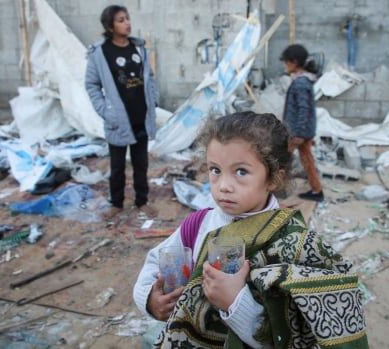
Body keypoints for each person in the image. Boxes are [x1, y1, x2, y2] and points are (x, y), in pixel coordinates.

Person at [133, 112, 368, 348]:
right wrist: (150, 300)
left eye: (241, 172)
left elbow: (296, 337)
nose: (224, 186)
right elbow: (156, 262)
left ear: (274, 179)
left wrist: (236, 302)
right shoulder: (197, 225)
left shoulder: (292, 241)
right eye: (215, 170)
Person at [85, 5, 159, 218]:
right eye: (120, 20)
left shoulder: (138, 49)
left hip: (141, 118)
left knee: (141, 164)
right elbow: (91, 84)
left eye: (127, 18)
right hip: (118, 121)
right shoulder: (100, 54)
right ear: (110, 26)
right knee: (117, 167)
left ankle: (141, 201)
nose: (127, 23)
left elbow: (150, 77)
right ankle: (116, 203)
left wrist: (153, 99)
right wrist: (104, 111)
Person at [280, 44, 324, 202]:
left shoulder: (300, 83)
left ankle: (272, 191)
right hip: (304, 131)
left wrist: (298, 134)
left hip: (298, 132)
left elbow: (304, 110)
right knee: (307, 160)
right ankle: (317, 190)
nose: (284, 65)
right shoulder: (303, 81)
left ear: (294, 62)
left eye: (286, 62)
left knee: (280, 159)